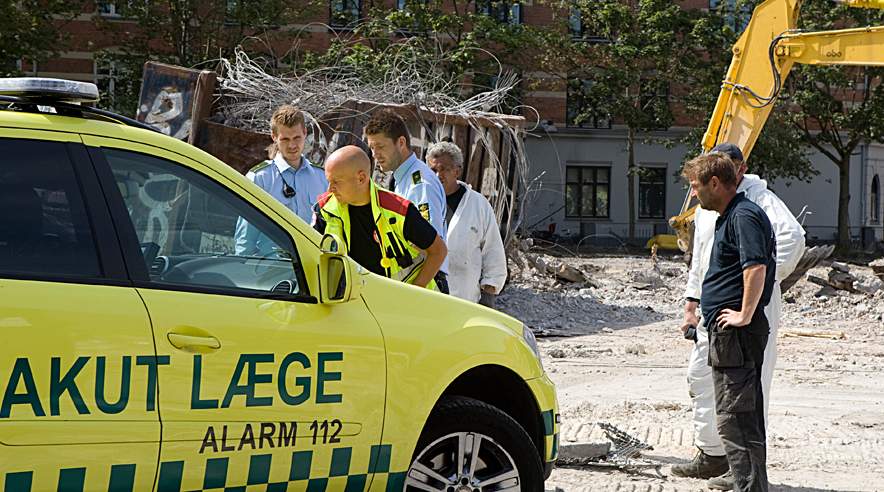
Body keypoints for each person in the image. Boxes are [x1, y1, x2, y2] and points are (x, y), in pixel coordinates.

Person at [673, 143, 805, 487]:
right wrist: (692, 302)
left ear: (721, 179)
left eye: (696, 184)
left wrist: (749, 299)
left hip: (740, 317)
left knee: (741, 402)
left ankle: (746, 477)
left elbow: (776, 251)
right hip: (717, 318)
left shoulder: (751, 208)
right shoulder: (714, 211)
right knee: (707, 385)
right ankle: (714, 455)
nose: (693, 192)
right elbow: (703, 259)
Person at [682, 152, 775, 491]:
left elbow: (756, 267)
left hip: (737, 334)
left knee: (736, 416)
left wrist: (744, 314)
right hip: (728, 334)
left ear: (715, 183)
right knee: (738, 414)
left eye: (696, 186)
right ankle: (748, 483)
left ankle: (749, 486)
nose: (694, 194)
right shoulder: (729, 215)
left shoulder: (744, 215)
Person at [313, 146, 447, 291]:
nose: (330, 189)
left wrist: (414, 293)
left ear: (361, 178)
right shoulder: (325, 209)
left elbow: (439, 251)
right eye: (329, 181)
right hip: (352, 299)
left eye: (336, 181)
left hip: (399, 301)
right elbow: (311, 254)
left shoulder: (397, 210)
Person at [364, 109, 450, 293]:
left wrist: (414, 293)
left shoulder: (420, 185)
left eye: (380, 146)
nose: (375, 154)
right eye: (372, 148)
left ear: (401, 142)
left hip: (426, 284)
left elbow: (431, 248)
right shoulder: (402, 179)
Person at [234, 105, 328, 255]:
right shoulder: (260, 178)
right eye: (285, 139)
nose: (292, 145)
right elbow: (245, 237)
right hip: (273, 265)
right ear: (274, 137)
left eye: (297, 138)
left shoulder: (322, 178)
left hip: (312, 263)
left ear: (305, 133)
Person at [426, 141, 507, 307]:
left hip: (464, 299)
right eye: (433, 170)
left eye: (444, 169)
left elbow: (493, 252)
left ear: (457, 171)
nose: (438, 175)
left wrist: (488, 295)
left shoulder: (478, 205)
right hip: (425, 295)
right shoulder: (421, 200)